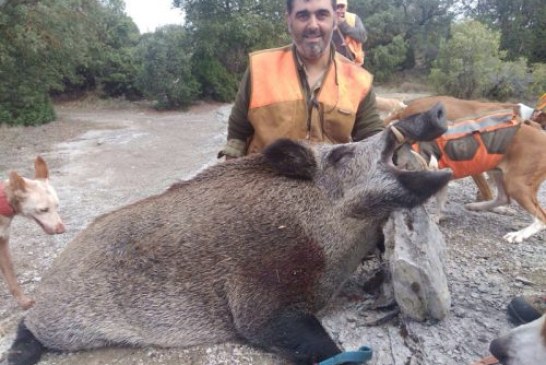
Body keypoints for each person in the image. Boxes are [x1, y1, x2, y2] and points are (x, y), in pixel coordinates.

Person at [218, 0, 383, 160]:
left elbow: (375, 143)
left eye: (322, 15)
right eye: (303, 15)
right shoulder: (260, 68)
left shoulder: (359, 79)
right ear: (289, 20)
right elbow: (237, 136)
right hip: (262, 182)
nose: (312, 25)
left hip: (329, 186)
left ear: (334, 20)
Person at [332, 0, 366, 66]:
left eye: (341, 6)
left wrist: (343, 25)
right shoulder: (325, 20)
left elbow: (363, 37)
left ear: (346, 7)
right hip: (332, 65)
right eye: (336, 7)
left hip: (352, 63)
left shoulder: (353, 18)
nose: (339, 10)